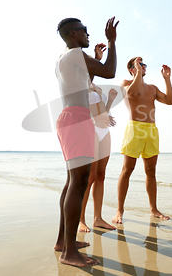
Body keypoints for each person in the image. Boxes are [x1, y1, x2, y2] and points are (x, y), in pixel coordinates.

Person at [53, 17, 119, 267]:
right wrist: (112, 41)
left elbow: (88, 78)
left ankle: (64, 242)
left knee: (73, 181)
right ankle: (69, 252)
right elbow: (110, 71)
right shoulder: (74, 55)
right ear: (72, 34)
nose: (88, 34)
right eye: (85, 31)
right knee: (79, 182)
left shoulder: (66, 58)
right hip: (77, 119)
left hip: (70, 117)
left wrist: (96, 57)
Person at [111, 57, 172, 224]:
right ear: (132, 69)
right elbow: (131, 93)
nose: (143, 67)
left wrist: (167, 79)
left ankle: (153, 209)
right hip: (134, 129)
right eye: (139, 65)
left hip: (151, 131)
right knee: (127, 169)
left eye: (144, 65)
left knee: (151, 171)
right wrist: (137, 73)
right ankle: (119, 210)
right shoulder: (126, 83)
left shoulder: (152, 88)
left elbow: (169, 100)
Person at [78, 83, 118, 232]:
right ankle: (81, 219)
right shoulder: (81, 84)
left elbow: (103, 111)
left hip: (104, 130)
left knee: (101, 175)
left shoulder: (96, 86)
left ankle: (98, 219)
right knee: (91, 176)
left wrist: (111, 100)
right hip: (92, 128)